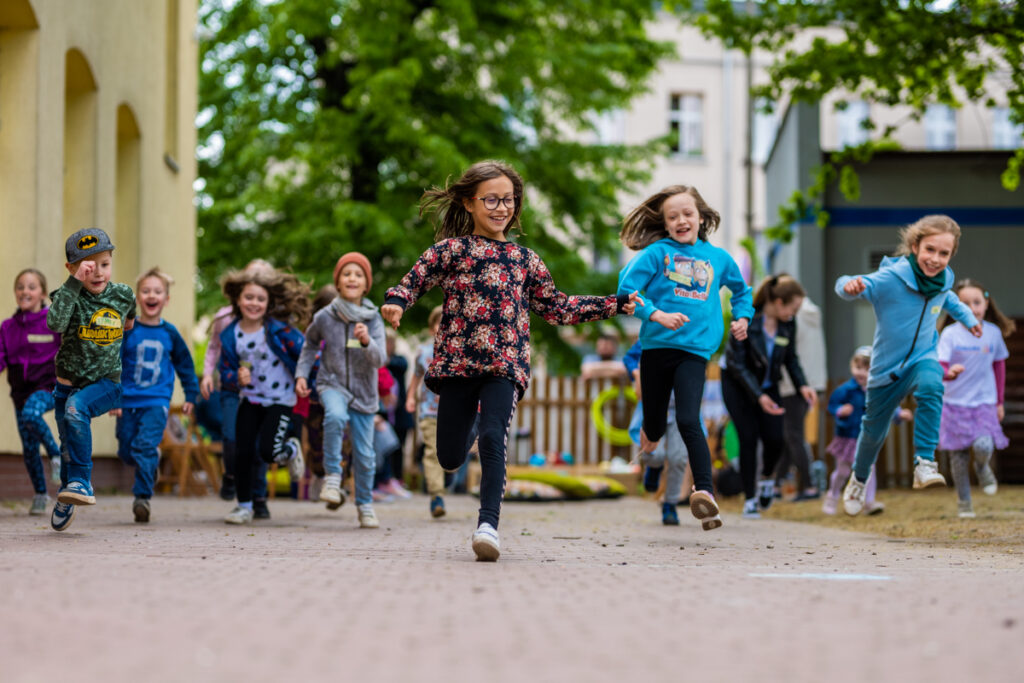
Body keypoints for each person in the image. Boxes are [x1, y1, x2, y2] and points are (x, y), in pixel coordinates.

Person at [382, 159, 638, 561]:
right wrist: (397, 302)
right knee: (449, 457)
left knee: (493, 436)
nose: (502, 208)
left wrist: (616, 304)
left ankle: (488, 525)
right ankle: (472, 431)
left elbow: (559, 308)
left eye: (509, 200)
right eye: (492, 200)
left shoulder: (525, 261)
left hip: (506, 364)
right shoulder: (451, 251)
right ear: (469, 203)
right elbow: (415, 278)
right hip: (458, 362)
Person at [617, 184, 753, 531]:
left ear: (701, 217)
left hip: (694, 352)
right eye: (672, 216)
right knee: (655, 426)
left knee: (690, 419)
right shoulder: (657, 253)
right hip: (656, 349)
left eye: (687, 214)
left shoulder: (719, 259)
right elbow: (626, 288)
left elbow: (742, 291)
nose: (681, 220)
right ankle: (651, 463)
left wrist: (742, 318)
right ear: (664, 224)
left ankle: (704, 492)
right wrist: (656, 315)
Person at [835, 215, 981, 516]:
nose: (936, 259)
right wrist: (848, 286)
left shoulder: (943, 281)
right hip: (886, 370)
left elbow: (949, 299)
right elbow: (848, 283)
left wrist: (968, 318)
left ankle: (924, 463)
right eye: (930, 249)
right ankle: (859, 480)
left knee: (932, 385)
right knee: (874, 432)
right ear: (915, 246)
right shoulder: (891, 278)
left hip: (922, 357)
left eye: (944, 253)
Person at [47, 228, 136, 531]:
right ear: (71, 269)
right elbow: (55, 322)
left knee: (77, 409)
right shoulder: (66, 295)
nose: (97, 272)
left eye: (104, 264)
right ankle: (68, 492)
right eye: (87, 266)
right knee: (67, 445)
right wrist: (74, 284)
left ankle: (82, 482)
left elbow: (130, 319)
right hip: (66, 384)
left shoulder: (123, 294)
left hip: (106, 384)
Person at [296, 252, 387, 528]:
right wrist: (302, 373)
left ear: (366, 284)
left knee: (365, 454)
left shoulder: (374, 319)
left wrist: (366, 341)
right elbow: (309, 344)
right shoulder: (325, 316)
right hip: (331, 382)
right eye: (346, 274)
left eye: (358, 275)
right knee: (334, 417)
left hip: (364, 391)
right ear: (338, 282)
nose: (352, 278)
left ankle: (365, 504)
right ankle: (332, 477)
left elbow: (380, 359)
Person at [721, 274, 817, 519]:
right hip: (737, 385)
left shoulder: (787, 324)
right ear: (777, 302)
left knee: (776, 438)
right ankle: (751, 499)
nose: (793, 314)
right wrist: (758, 396)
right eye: (792, 308)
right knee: (749, 438)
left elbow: (791, 358)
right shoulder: (745, 318)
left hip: (768, 385)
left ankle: (766, 479)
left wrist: (802, 385)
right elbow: (737, 364)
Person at [219, 268, 309, 524]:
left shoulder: (280, 331)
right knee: (242, 452)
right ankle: (243, 506)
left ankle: (290, 450)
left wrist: (304, 379)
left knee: (268, 452)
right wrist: (235, 377)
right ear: (238, 300)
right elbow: (224, 370)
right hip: (250, 399)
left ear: (268, 303)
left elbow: (306, 355)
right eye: (249, 297)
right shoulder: (230, 334)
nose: (254, 303)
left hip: (280, 400)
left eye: (260, 299)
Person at [112, 267, 200, 523]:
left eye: (158, 291)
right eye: (146, 291)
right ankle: (152, 462)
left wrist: (191, 395)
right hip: (127, 400)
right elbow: (113, 364)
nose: (152, 295)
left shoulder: (170, 333)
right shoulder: (127, 330)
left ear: (166, 299)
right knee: (127, 451)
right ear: (138, 298)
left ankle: (142, 497)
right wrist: (114, 397)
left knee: (144, 446)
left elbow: (185, 364)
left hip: (156, 401)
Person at [199, 259, 275, 503]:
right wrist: (208, 374)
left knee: (257, 443)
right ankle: (230, 474)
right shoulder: (224, 317)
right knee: (231, 437)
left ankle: (259, 496)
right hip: (231, 386)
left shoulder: (274, 320)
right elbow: (213, 347)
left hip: (263, 390)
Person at [938, 279, 1014, 518]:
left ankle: (982, 467)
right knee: (958, 456)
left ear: (986, 303)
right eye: (964, 303)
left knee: (983, 445)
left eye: (976, 302)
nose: (972, 308)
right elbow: (940, 364)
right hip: (954, 404)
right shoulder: (950, 335)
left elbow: (999, 367)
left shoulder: (992, 334)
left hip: (984, 402)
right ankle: (964, 503)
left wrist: (999, 402)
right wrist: (948, 373)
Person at [822, 346, 913, 516]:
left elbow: (888, 406)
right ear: (852, 366)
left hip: (867, 439)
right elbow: (832, 406)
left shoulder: (877, 391)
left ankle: (869, 502)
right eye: (858, 368)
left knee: (868, 470)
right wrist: (840, 410)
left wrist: (900, 414)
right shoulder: (845, 390)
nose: (861, 373)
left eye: (866, 369)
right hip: (847, 437)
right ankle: (832, 496)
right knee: (842, 471)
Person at [1, 269, 62, 515]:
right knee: (28, 447)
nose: (25, 291)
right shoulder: (7, 327)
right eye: (20, 287)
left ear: (43, 293)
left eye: (32, 286)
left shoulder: (52, 323)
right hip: (20, 392)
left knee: (31, 415)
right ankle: (40, 494)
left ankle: (56, 455)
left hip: (47, 387)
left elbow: (68, 349)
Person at [622, 340, 689, 525]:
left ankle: (670, 504)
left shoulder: (689, 337)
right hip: (653, 403)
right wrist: (636, 374)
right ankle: (654, 466)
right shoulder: (653, 333)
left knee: (679, 458)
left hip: (680, 408)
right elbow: (629, 358)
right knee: (654, 452)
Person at [774, 295, 827, 501]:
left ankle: (810, 486)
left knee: (794, 435)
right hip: (815, 381)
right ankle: (776, 485)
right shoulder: (812, 313)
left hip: (796, 384)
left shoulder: (794, 316)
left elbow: (788, 353)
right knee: (790, 435)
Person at [405, 305, 447, 518]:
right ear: (432, 328)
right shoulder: (423, 352)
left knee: (450, 456)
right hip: (429, 411)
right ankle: (436, 496)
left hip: (454, 413)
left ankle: (445, 478)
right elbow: (416, 375)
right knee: (432, 452)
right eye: (440, 322)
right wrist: (411, 396)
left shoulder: (461, 351)